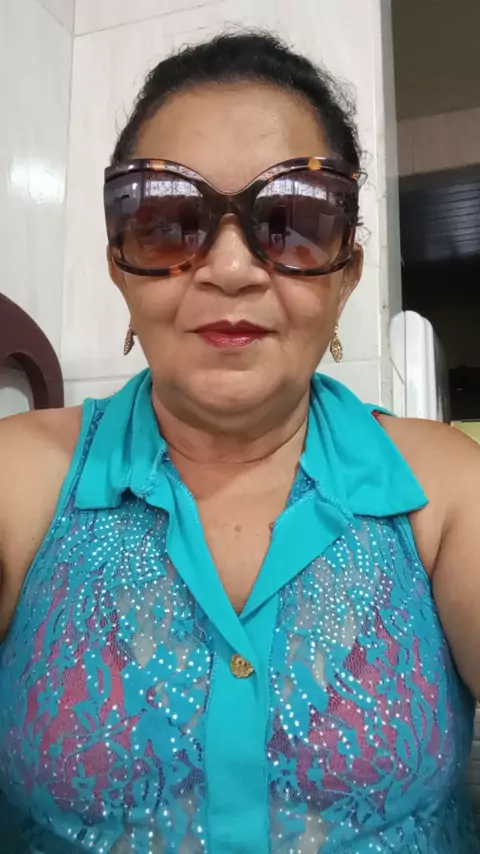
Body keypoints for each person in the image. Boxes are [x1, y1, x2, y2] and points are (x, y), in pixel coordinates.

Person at [0, 31, 478, 854]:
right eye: (167, 222)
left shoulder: (446, 492)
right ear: (118, 265)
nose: (230, 267)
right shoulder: (20, 477)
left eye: (291, 223)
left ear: (347, 273)